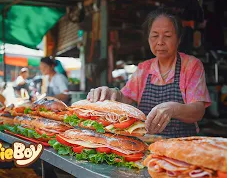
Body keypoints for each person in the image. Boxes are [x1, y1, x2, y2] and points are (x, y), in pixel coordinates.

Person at [87, 8, 211, 138]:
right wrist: (113, 94)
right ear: (148, 38)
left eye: (167, 36)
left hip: (181, 145)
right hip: (147, 145)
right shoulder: (143, 68)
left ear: (178, 39)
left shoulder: (191, 65)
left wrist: (173, 109)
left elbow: (198, 110)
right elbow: (125, 99)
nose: (160, 42)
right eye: (155, 36)